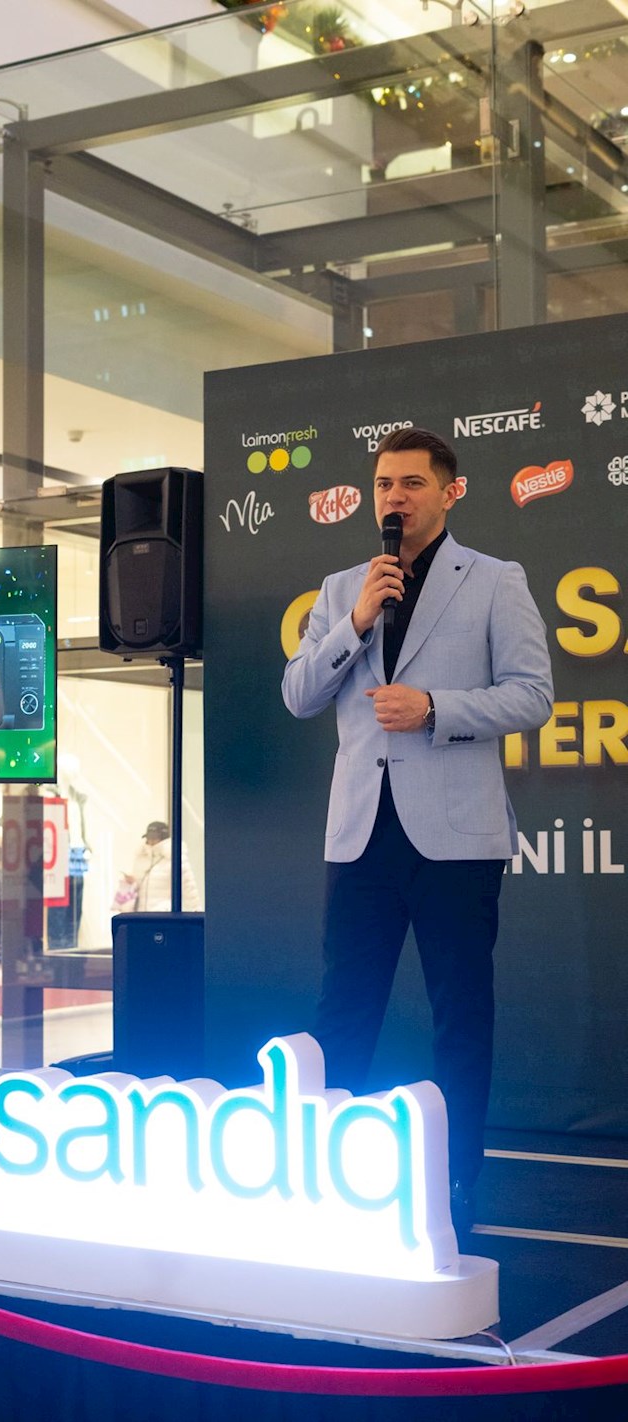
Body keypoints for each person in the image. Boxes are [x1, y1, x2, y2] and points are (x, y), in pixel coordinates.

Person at [281, 426, 553, 1238]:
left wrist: (437, 708)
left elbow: (533, 695)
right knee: (343, 1008)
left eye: (410, 483)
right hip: (361, 835)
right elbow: (298, 694)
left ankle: (456, 1177)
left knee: (460, 1014)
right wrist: (357, 621)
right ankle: (321, 1175)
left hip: (456, 841)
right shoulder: (344, 588)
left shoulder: (496, 580)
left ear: (449, 491)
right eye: (383, 484)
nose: (393, 498)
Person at [125, 821, 200, 913]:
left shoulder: (175, 857)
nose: (151, 841)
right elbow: (138, 887)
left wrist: (196, 909)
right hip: (141, 914)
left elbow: (188, 885)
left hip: (164, 913)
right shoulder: (141, 857)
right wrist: (131, 883)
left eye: (154, 838)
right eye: (149, 838)